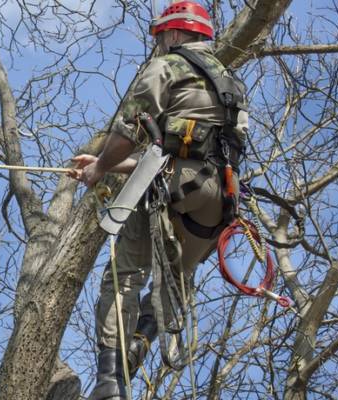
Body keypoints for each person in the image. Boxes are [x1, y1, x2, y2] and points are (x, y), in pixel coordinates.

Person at [68, 2, 249, 399]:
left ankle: (109, 382)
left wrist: (99, 167)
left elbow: (133, 128)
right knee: (177, 279)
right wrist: (106, 165)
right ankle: (142, 340)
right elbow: (186, 149)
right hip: (216, 199)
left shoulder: (167, 66)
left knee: (124, 276)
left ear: (173, 33)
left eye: (161, 37)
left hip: (170, 188)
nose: (160, 44)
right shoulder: (231, 84)